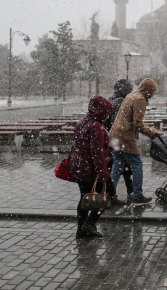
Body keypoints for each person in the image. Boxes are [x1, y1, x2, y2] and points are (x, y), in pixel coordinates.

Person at [109, 78, 160, 205]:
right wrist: (152, 133)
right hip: (125, 136)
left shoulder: (132, 95)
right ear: (147, 89)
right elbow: (138, 123)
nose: (154, 93)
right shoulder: (140, 99)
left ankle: (109, 195)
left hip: (115, 135)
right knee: (137, 164)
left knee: (118, 165)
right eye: (153, 90)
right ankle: (137, 195)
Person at [69, 95, 114, 238]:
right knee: (108, 195)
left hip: (79, 166)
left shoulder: (84, 121)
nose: (108, 115)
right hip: (90, 168)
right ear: (101, 111)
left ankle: (81, 229)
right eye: (107, 112)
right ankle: (89, 223)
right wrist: (103, 174)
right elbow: (97, 153)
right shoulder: (96, 127)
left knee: (85, 197)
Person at [103, 79, 134, 205]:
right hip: (118, 139)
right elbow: (120, 123)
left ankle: (129, 191)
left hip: (111, 139)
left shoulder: (111, 100)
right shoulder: (120, 102)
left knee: (119, 166)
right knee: (120, 166)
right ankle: (111, 195)